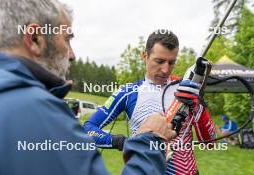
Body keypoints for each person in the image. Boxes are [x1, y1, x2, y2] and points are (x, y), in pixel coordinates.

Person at [0, 0, 177, 175]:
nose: (72, 55)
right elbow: (90, 127)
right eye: (67, 39)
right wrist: (143, 144)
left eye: (172, 62)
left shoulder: (2, 96)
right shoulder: (37, 111)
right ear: (35, 39)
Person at [84, 30, 217, 175]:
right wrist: (122, 142)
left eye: (171, 62)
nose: (165, 69)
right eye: (159, 61)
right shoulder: (128, 92)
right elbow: (88, 129)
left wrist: (198, 107)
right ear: (145, 56)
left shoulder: (186, 88)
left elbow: (210, 143)